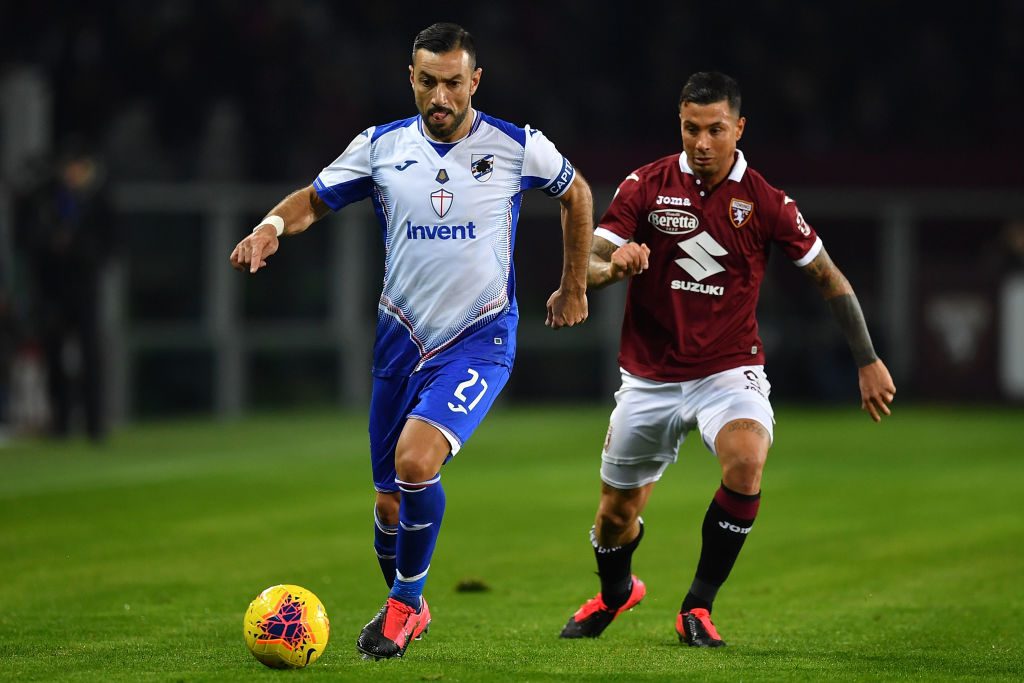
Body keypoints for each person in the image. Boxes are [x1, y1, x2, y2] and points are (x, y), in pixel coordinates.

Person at [229, 23, 592, 660]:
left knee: (416, 463)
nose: (441, 96)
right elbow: (314, 199)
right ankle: (410, 600)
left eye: (454, 82)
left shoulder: (514, 146)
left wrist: (572, 286)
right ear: (412, 80)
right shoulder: (380, 146)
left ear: (475, 81)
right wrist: (270, 227)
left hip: (480, 338)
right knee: (389, 508)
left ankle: (400, 607)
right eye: (429, 82)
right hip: (400, 342)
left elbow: (578, 193)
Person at [558, 72, 895, 647]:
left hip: (727, 371)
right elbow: (589, 263)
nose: (703, 142)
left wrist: (867, 359)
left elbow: (827, 276)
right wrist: (615, 268)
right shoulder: (646, 185)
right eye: (692, 129)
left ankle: (698, 606)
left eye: (716, 129)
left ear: (739, 128)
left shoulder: (765, 201)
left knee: (745, 461)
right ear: (680, 126)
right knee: (614, 517)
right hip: (649, 377)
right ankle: (616, 593)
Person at [15, 143, 115, 442]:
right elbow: (26, 238)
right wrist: (50, 246)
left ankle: (94, 423)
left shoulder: (98, 200)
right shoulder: (46, 198)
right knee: (54, 352)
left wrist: (81, 251)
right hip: (52, 287)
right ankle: (60, 422)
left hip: (84, 285)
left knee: (90, 354)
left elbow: (112, 243)